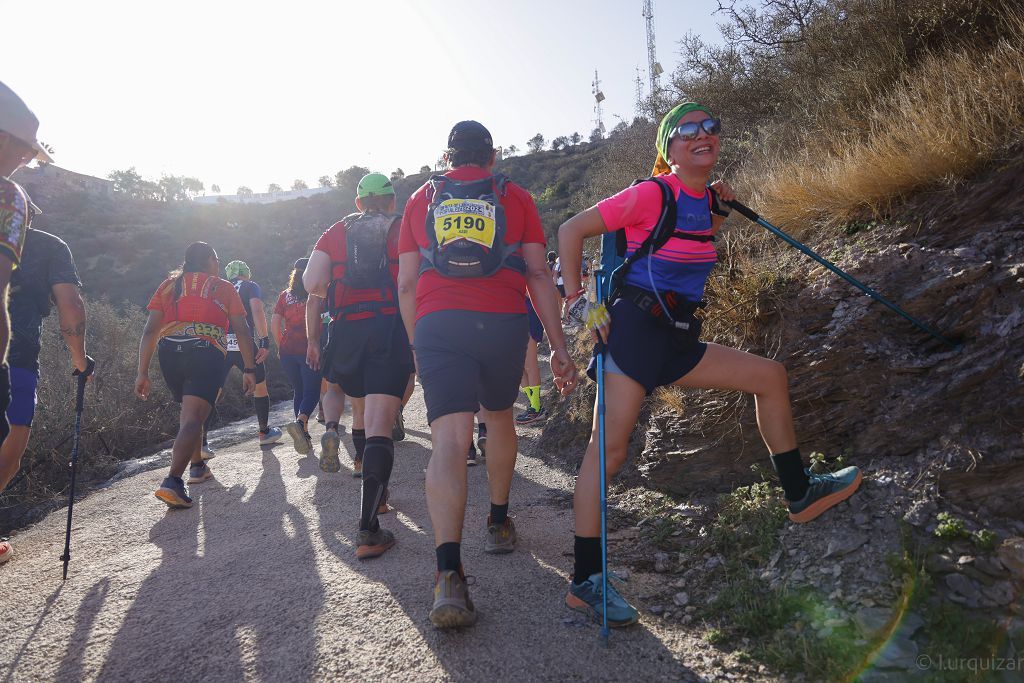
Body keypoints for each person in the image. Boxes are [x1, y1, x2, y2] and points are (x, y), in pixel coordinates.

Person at [557, 102, 862, 627]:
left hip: (677, 337)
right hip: (632, 332)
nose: (703, 135)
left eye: (711, 127)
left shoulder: (705, 202)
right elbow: (570, 229)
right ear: (668, 149)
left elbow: (692, 245)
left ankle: (800, 493)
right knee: (606, 454)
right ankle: (586, 580)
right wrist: (581, 302)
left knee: (770, 377)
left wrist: (720, 210)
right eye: (687, 130)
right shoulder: (652, 192)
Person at [397, 121, 577, 628]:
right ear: (492, 157)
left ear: (448, 156)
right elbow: (540, 274)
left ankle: (448, 577)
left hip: (437, 325)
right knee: (498, 417)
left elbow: (408, 285)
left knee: (449, 441)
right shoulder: (514, 196)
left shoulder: (421, 199)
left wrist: (418, 343)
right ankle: (498, 522)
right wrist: (557, 348)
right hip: (502, 322)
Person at [304, 172, 412, 559]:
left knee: (359, 411)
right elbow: (409, 285)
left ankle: (372, 496)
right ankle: (370, 521)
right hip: (388, 327)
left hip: (346, 332)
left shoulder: (336, 230)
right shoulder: (401, 227)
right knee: (380, 418)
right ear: (392, 201)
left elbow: (311, 282)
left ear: (358, 203)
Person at [136, 242, 256, 508]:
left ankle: (198, 466)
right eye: (217, 260)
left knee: (189, 413)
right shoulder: (222, 287)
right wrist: (249, 368)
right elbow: (242, 330)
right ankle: (172, 482)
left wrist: (142, 372)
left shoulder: (168, 286)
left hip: (169, 353)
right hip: (205, 351)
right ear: (211, 261)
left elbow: (149, 331)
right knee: (193, 417)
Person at [0, 82, 53, 563]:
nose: (24, 160)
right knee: (8, 453)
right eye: (21, 149)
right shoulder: (8, 198)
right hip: (17, 358)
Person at [221, 260, 281, 445]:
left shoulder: (220, 287)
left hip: (220, 344)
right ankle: (264, 433)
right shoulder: (250, 286)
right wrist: (264, 340)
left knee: (211, 392)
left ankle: (202, 443)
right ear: (246, 273)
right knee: (260, 387)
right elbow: (257, 309)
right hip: (244, 343)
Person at [274, 257, 322, 455]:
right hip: (309, 349)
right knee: (312, 392)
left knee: (299, 391)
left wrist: (279, 346)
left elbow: (275, 322)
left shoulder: (285, 296)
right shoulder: (317, 293)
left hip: (287, 351)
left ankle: (304, 436)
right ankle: (301, 422)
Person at [516, 294, 546, 425]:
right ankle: (533, 406)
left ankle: (536, 407)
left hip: (526, 316)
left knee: (529, 365)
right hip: (510, 320)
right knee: (520, 369)